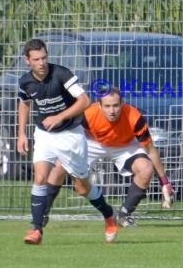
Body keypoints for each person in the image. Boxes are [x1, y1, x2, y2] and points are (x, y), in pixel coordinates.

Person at [17, 38, 117, 245]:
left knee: (82, 188)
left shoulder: (61, 74)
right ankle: (36, 230)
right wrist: (21, 134)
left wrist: (59, 117)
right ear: (27, 61)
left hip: (71, 135)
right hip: (44, 134)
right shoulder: (25, 81)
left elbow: (84, 100)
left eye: (44, 57)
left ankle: (108, 213)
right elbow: (24, 104)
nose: (42, 63)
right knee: (40, 177)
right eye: (36, 59)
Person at [42, 87, 175, 228]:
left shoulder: (134, 117)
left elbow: (151, 151)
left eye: (116, 105)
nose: (112, 111)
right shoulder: (88, 114)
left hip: (125, 145)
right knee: (61, 167)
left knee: (146, 168)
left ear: (122, 104)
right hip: (92, 142)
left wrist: (165, 182)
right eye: (107, 106)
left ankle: (124, 215)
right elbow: (71, 134)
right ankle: (43, 213)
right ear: (99, 105)